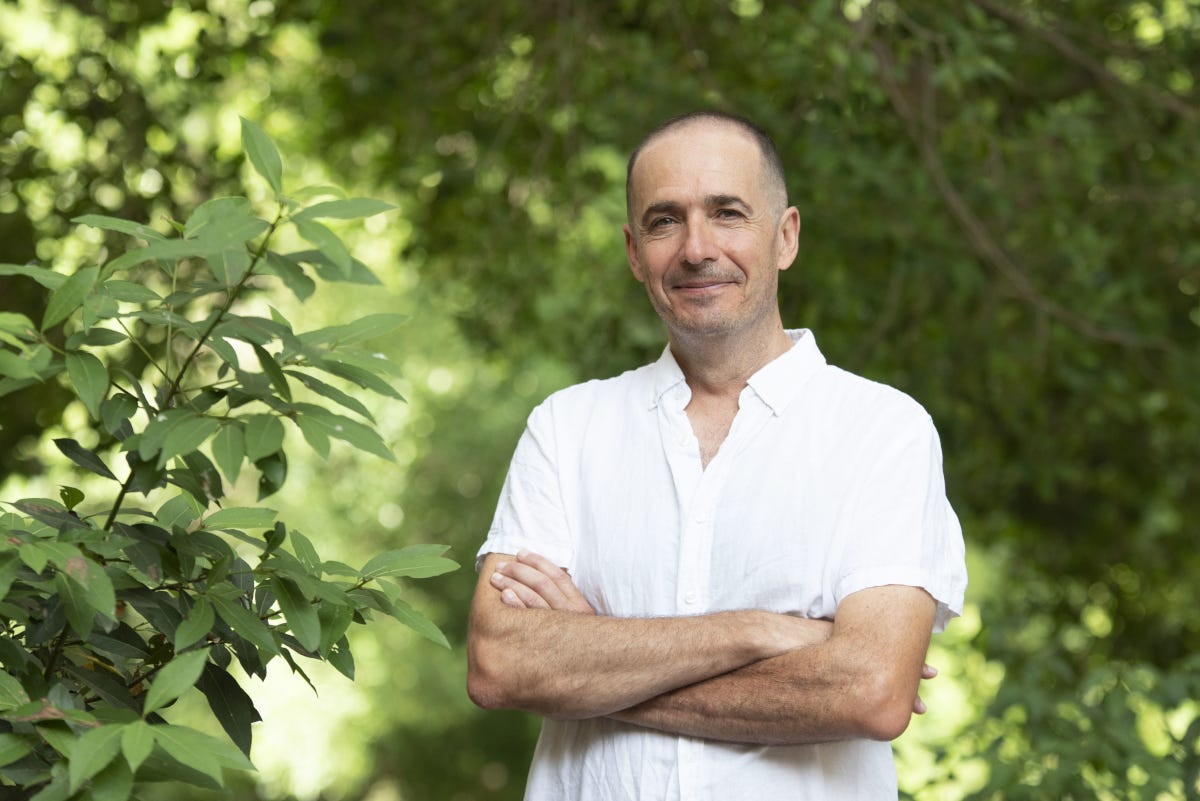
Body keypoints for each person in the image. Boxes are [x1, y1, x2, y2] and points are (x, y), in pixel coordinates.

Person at [466, 110, 968, 800]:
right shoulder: (567, 427)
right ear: (634, 250)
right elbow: (501, 663)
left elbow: (871, 689)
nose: (697, 247)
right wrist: (762, 631)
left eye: (727, 213)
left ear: (785, 236)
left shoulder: (882, 430)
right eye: (664, 220)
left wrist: (594, 662)